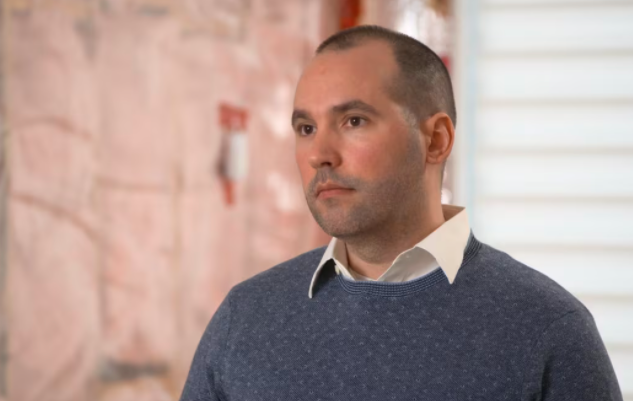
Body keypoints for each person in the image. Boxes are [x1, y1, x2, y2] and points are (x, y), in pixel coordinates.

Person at [180, 25, 623, 400]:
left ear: (436, 141)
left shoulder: (548, 330)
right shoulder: (246, 317)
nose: (319, 154)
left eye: (354, 121)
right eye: (306, 128)